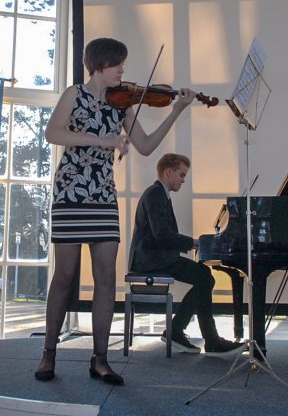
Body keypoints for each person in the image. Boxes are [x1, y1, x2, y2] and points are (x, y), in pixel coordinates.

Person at [36, 38, 197, 385]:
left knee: (106, 277)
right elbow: (53, 133)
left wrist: (176, 111)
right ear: (99, 65)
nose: (123, 71)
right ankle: (49, 353)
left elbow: (146, 145)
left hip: (102, 194)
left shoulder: (121, 105)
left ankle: (100, 359)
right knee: (64, 275)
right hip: (70, 191)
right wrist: (104, 141)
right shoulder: (73, 94)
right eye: (117, 65)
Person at [128, 154, 245, 356]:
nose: (183, 180)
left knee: (204, 277)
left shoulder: (159, 193)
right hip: (151, 259)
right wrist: (193, 242)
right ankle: (208, 340)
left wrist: (192, 243)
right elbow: (162, 234)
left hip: (155, 256)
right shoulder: (156, 194)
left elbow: (163, 235)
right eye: (181, 175)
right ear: (168, 171)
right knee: (203, 277)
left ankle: (179, 331)